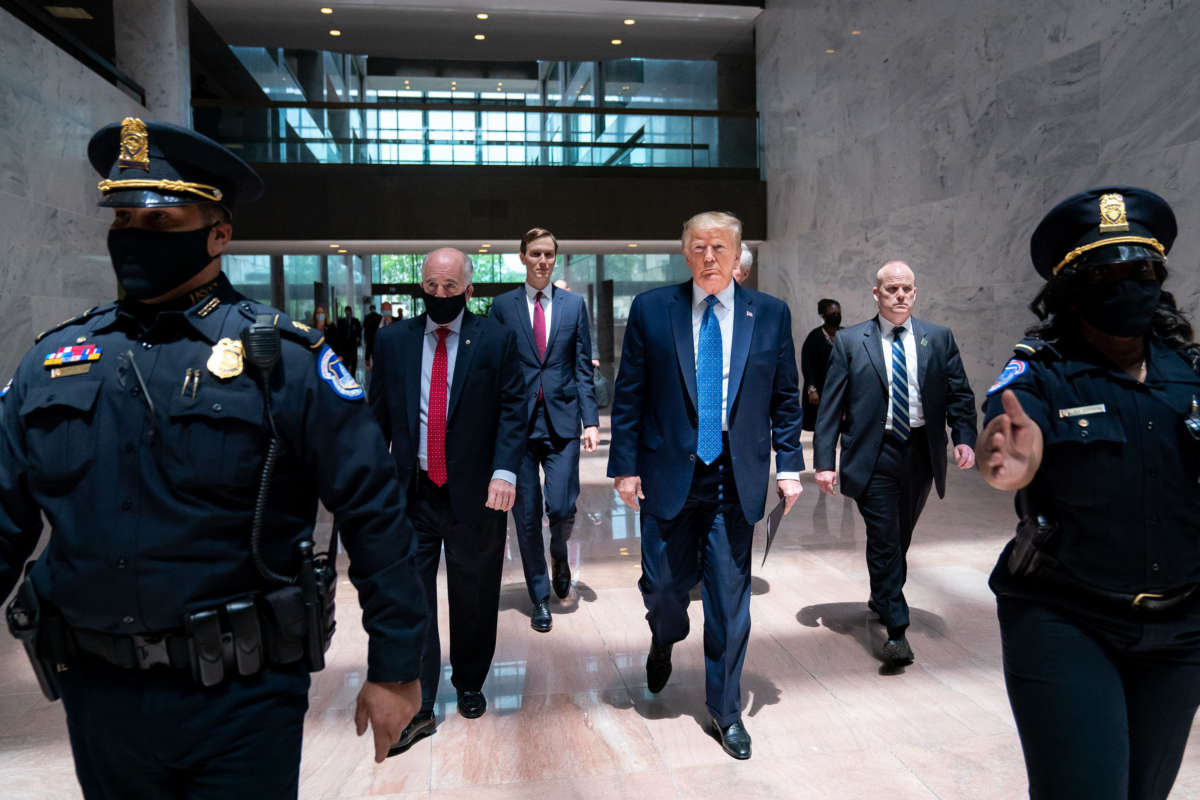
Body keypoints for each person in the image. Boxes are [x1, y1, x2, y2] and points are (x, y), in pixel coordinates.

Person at [0, 119, 426, 797]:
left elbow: (374, 513)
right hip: (98, 694)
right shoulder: (53, 363)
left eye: (160, 221)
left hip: (242, 695)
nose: (134, 236)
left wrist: (396, 669)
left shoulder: (284, 360)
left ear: (219, 234)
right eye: (123, 219)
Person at [979, 187, 1200, 800]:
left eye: (1143, 271)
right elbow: (1007, 442)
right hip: (1067, 616)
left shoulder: (1189, 371)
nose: (1130, 285)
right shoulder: (1041, 371)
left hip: (1182, 626)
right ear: (1072, 289)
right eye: (1107, 274)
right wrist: (1009, 460)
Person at [607, 211, 804, 760]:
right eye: (698, 247)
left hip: (734, 476)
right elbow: (629, 393)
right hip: (668, 470)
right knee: (664, 588)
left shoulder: (769, 314)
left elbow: (785, 398)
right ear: (685, 252)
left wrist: (790, 466)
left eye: (719, 247)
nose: (709, 257)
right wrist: (625, 466)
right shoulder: (652, 309)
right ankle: (664, 636)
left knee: (729, 599)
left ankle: (725, 710)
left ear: (738, 255)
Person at [368, 247, 524, 753]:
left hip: (476, 494)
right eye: (432, 286)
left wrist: (505, 470)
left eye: (450, 287)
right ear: (422, 286)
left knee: (474, 592)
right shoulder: (392, 341)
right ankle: (421, 701)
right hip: (412, 492)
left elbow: (513, 409)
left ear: (468, 290)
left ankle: (470, 680)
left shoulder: (496, 339)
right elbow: (376, 414)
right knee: (412, 598)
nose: (439, 294)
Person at [813, 261, 976, 667]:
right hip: (874, 453)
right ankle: (897, 630)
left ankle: (881, 593)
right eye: (891, 289)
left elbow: (959, 394)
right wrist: (824, 461)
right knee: (884, 536)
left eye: (906, 289)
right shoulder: (851, 341)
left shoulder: (938, 338)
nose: (900, 295)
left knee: (900, 535)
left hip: (921, 452)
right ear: (877, 294)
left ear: (915, 293)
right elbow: (830, 405)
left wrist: (964, 437)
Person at [490, 228, 600, 632]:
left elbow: (582, 366)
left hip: (563, 420)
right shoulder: (503, 306)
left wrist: (591, 420)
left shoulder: (573, 305)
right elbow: (493, 367)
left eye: (549, 254)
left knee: (563, 505)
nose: (542, 261)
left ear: (555, 258)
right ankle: (539, 595)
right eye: (535, 253)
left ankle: (559, 553)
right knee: (526, 513)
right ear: (522, 257)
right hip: (517, 424)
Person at [800, 298, 842, 431]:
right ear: (823, 316)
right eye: (833, 314)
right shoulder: (815, 337)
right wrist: (812, 390)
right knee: (819, 428)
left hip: (838, 390)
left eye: (838, 313)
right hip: (819, 391)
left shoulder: (845, 335)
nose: (836, 316)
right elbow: (807, 365)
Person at [337, 304, 362, 377]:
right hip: (345, 345)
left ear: (351, 312)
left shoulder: (355, 321)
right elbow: (339, 333)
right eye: (346, 311)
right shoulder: (341, 322)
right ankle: (347, 375)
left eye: (349, 311)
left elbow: (359, 331)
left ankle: (353, 375)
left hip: (353, 344)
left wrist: (358, 338)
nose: (348, 313)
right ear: (345, 312)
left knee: (354, 360)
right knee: (346, 361)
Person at [363, 303, 382, 369]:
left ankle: (368, 366)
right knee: (375, 352)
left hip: (369, 338)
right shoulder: (379, 317)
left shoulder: (367, 317)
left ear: (370, 309)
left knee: (368, 352)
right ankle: (375, 365)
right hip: (376, 337)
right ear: (375, 309)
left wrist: (365, 339)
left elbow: (365, 328)